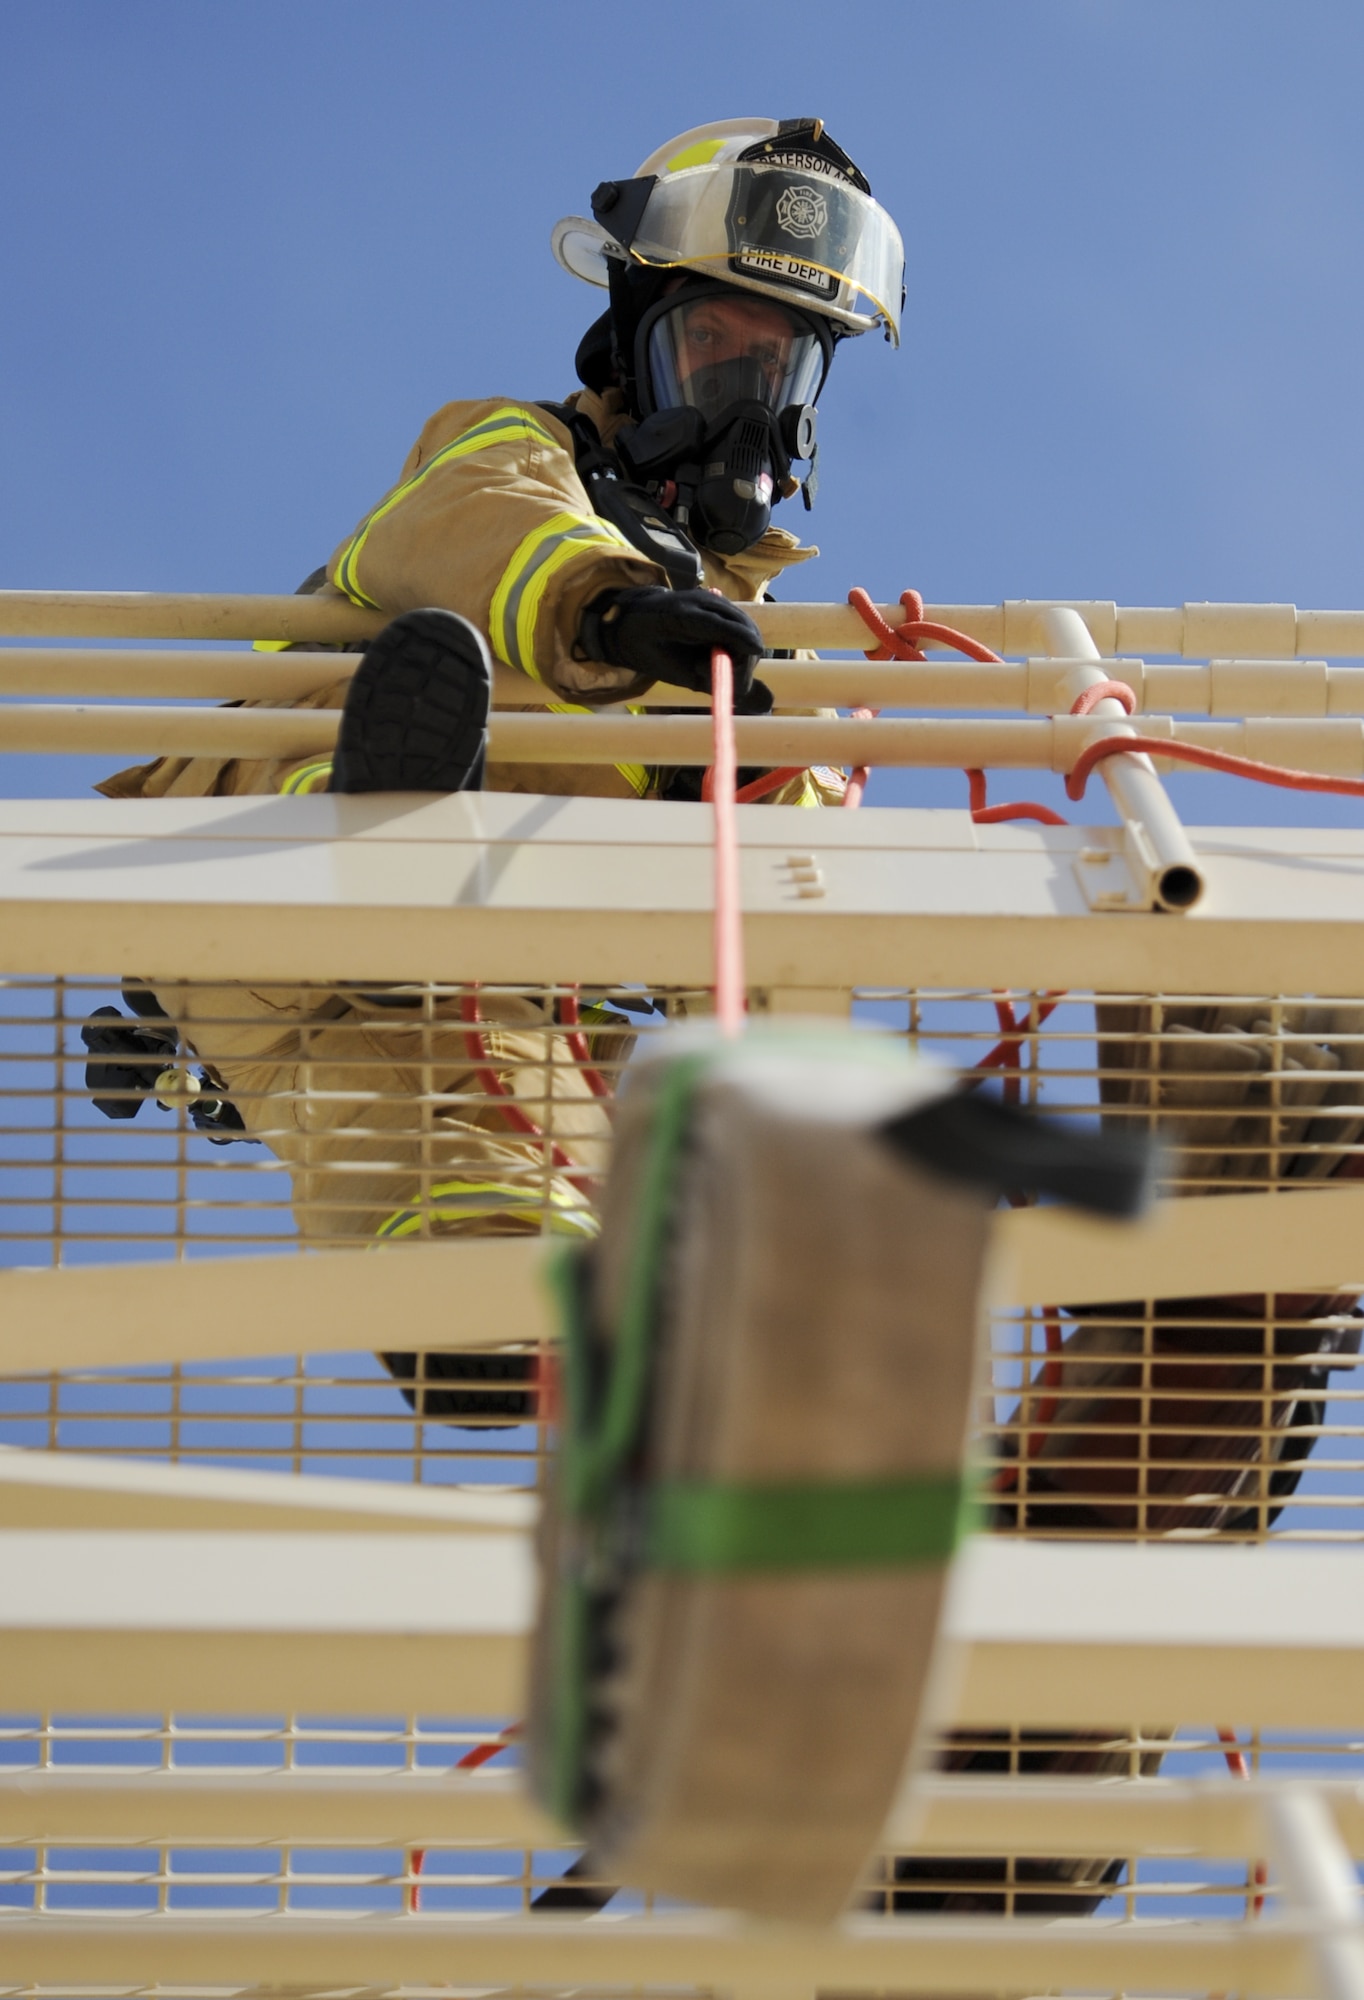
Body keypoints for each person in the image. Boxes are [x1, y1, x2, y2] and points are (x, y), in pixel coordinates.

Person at [88, 118, 907, 1418]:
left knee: (535, 1158)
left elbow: (779, 911)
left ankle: (494, 1326)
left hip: (465, 975)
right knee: (483, 696)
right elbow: (488, 529)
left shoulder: (751, 643)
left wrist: (765, 769)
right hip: (266, 844)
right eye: (712, 347)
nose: (742, 398)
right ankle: (387, 825)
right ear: (631, 339)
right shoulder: (517, 453)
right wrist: (607, 609)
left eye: (776, 366)